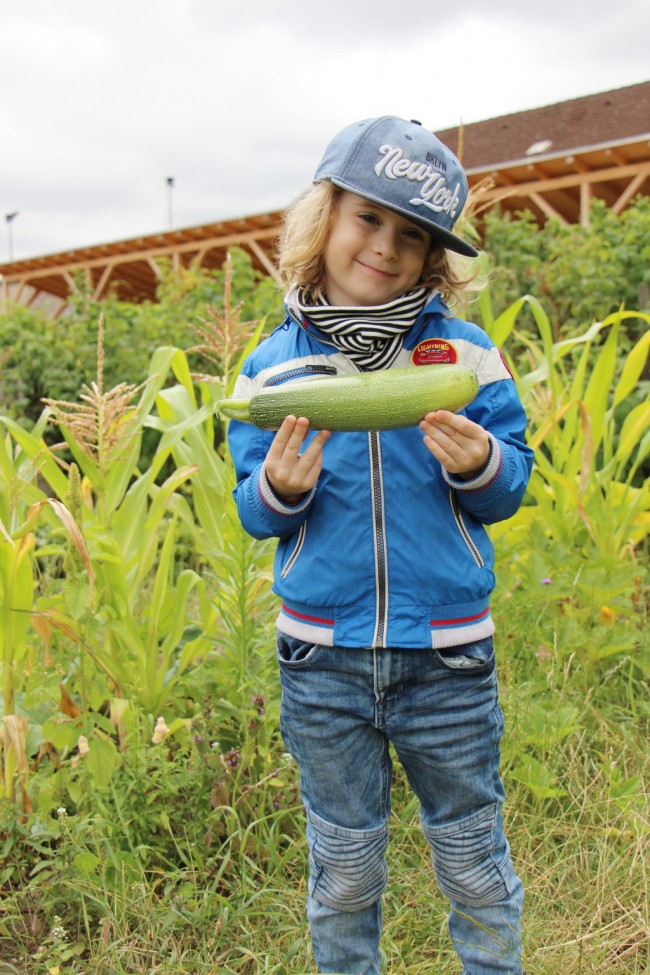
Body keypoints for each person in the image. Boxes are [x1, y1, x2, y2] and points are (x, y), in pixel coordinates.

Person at [227, 116, 534, 975]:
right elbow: (257, 510)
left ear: (434, 257)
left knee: (474, 861)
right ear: (323, 216)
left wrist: (483, 464)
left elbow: (513, 479)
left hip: (449, 661)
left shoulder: (463, 356)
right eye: (369, 218)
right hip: (321, 660)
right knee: (346, 871)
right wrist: (280, 488)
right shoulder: (272, 370)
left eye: (412, 235)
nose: (386, 247)